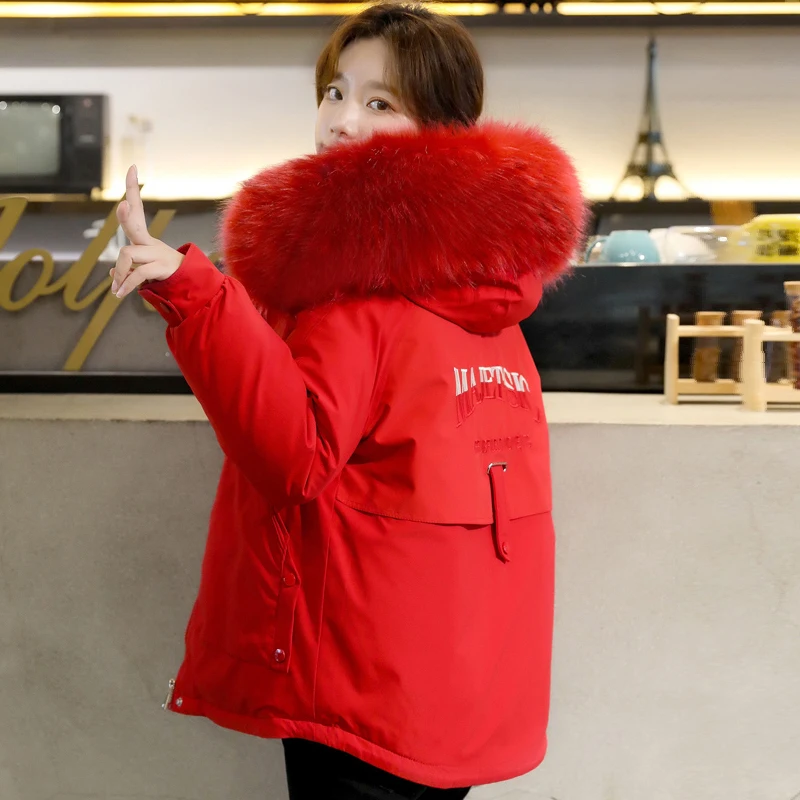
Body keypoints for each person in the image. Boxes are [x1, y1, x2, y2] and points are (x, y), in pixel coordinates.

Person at [110, 3, 585, 798]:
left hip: (361, 681)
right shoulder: (493, 290)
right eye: (335, 92)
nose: (340, 120)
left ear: (441, 131)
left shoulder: (359, 280)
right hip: (455, 685)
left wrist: (195, 293)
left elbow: (295, 455)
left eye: (379, 102)